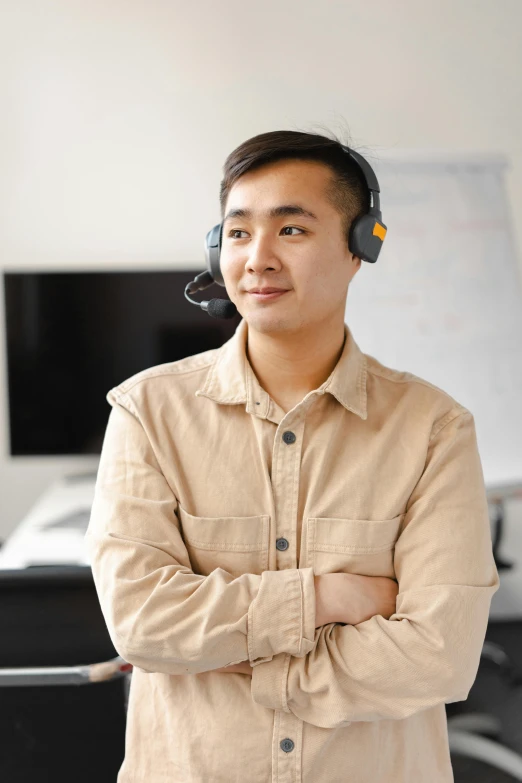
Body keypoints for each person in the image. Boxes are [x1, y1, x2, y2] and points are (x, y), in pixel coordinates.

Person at [86, 129, 500, 782]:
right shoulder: (149, 412)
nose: (258, 258)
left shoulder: (432, 428)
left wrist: (243, 658)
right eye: (240, 232)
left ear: (361, 245)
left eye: (293, 230)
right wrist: (323, 597)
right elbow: (141, 625)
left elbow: (439, 655)